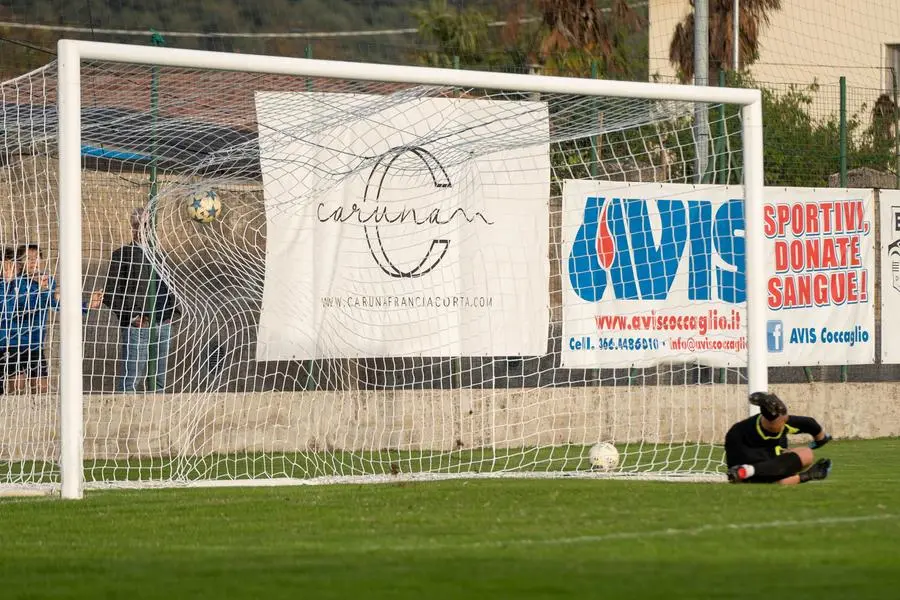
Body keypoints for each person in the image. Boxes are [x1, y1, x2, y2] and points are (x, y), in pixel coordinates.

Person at [103, 208, 180, 393]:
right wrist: (133, 316)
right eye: (139, 226)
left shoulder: (161, 256)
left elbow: (168, 287)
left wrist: (170, 313)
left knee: (159, 380)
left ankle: (158, 417)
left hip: (163, 324)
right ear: (133, 227)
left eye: (147, 226)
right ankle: (127, 416)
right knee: (132, 379)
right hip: (139, 325)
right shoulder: (123, 255)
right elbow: (110, 293)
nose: (143, 230)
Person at [10, 244, 103, 393]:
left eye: (36, 257)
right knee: (16, 388)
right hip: (12, 343)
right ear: (20, 263)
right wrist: (41, 290)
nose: (33, 261)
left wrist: (86, 305)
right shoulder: (14, 282)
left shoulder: (47, 280)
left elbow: (56, 304)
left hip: (35, 343)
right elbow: (21, 308)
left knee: (41, 388)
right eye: (28, 258)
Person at [725, 392, 833, 484]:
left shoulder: (774, 424)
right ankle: (748, 471)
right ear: (771, 423)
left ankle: (749, 471)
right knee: (806, 454)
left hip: (749, 471)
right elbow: (776, 479)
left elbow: (809, 423)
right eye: (783, 421)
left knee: (796, 455)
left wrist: (820, 439)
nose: (786, 422)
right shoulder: (743, 435)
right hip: (744, 470)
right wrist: (806, 476)